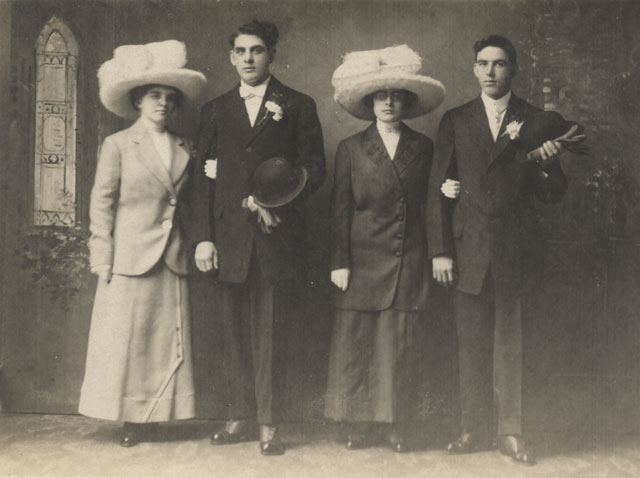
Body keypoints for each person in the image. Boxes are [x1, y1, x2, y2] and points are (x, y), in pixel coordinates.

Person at [427, 35, 571, 465]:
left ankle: (511, 431)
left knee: (512, 343)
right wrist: (441, 251)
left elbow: (554, 194)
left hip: (515, 249)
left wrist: (546, 161)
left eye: (500, 64)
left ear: (513, 70)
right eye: (483, 63)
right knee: (470, 342)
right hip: (468, 248)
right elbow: (437, 189)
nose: (490, 71)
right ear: (474, 68)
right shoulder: (456, 120)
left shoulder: (534, 119)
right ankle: (473, 427)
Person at [190, 20, 325, 456]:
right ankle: (239, 415)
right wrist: (204, 238)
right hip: (228, 238)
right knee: (231, 333)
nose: (249, 58)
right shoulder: (214, 110)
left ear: (272, 55)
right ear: (231, 57)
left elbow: (314, 169)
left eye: (258, 50)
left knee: (271, 334)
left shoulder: (298, 105)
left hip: (275, 236)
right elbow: (201, 181)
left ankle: (270, 422)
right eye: (242, 51)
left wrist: (272, 198)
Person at [78, 40, 206, 447]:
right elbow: (102, 203)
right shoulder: (118, 145)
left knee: (166, 342)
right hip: (130, 257)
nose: (162, 103)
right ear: (137, 101)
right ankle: (133, 420)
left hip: (172, 256)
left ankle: (161, 415)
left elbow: (191, 202)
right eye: (154, 95)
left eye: (169, 97)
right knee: (130, 342)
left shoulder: (186, 146)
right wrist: (102, 256)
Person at [325, 45, 445, 452]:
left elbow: (430, 206)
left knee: (399, 344)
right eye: (381, 96)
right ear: (370, 102)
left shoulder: (422, 147)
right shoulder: (351, 148)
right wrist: (339, 262)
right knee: (358, 343)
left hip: (406, 255)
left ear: (406, 102)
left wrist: (432, 253)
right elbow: (340, 210)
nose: (389, 103)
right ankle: (359, 424)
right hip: (360, 260)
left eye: (396, 96)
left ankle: (396, 424)